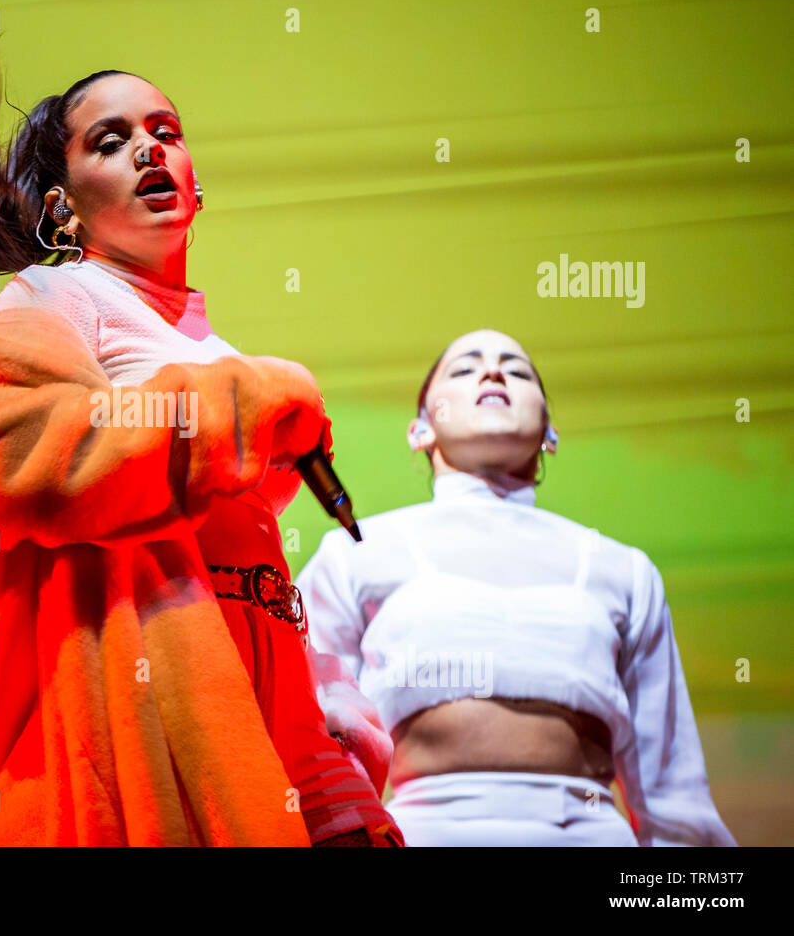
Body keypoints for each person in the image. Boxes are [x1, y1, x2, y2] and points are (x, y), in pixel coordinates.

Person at [0, 40, 399, 846]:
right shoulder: (63, 293)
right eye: (110, 139)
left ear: (197, 180)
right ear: (63, 209)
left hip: (263, 709)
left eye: (166, 130)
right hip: (155, 722)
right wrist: (245, 404)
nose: (148, 148)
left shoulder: (215, 342)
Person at [296, 328, 737, 846]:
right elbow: (309, 726)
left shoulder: (622, 569)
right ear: (419, 430)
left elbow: (672, 791)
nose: (492, 372)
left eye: (518, 369)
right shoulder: (358, 552)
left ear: (550, 431)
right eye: (464, 369)